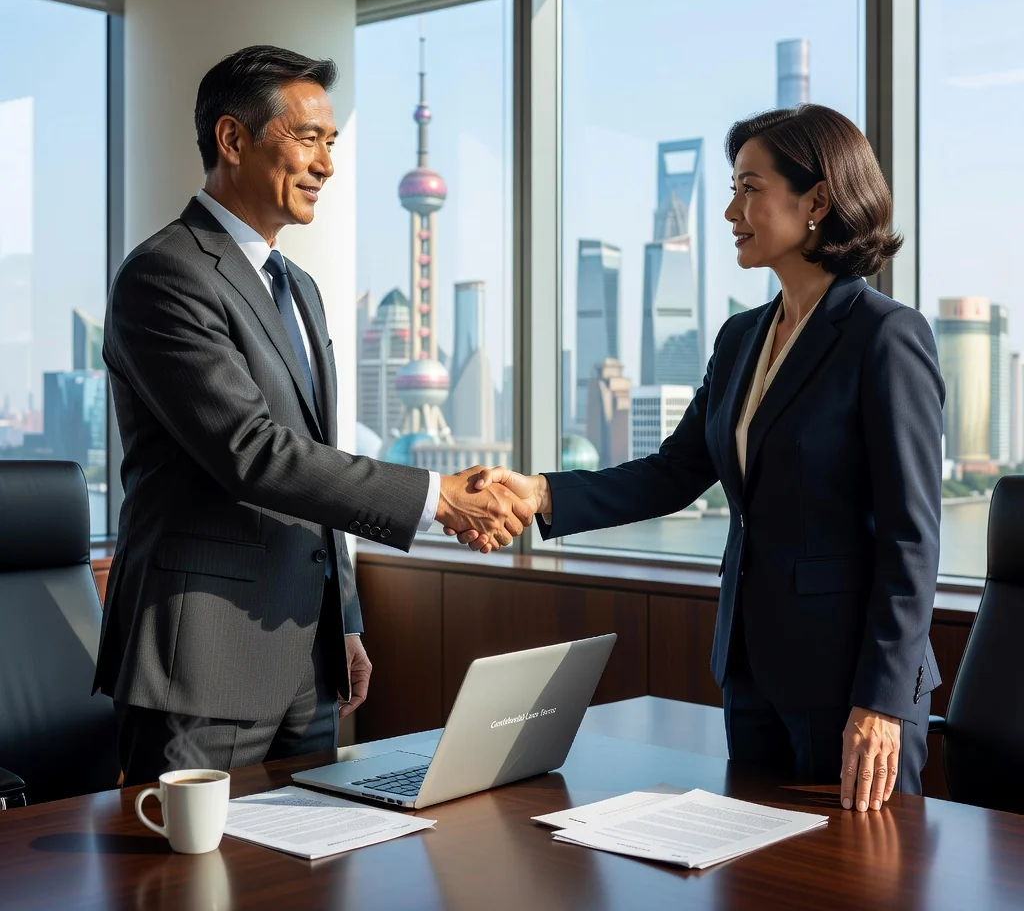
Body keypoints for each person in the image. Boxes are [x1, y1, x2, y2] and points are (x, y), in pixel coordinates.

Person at [454, 105, 944, 811]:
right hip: (749, 668)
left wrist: (883, 703)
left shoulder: (886, 337)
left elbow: (911, 539)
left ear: (818, 200)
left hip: (851, 685)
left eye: (749, 187)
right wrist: (537, 493)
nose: (729, 210)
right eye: (732, 187)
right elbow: (677, 470)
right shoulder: (742, 337)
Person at [96, 45, 530, 785]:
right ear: (233, 140)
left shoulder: (296, 286)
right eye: (307, 138)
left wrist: (347, 623)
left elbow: (315, 458)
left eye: (332, 142)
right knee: (185, 889)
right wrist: (437, 497)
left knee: (309, 877)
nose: (327, 164)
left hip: (306, 659)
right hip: (203, 663)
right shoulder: (164, 275)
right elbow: (253, 454)